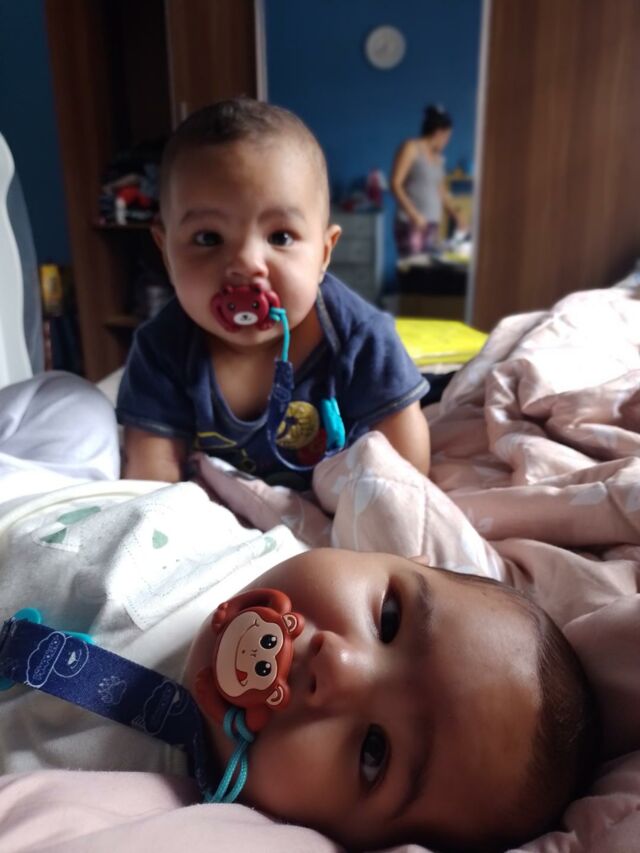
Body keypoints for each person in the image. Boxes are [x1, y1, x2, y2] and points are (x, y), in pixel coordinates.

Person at [0, 373, 600, 853]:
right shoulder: (286, 551)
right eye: (389, 620)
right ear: (399, 559)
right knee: (72, 403)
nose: (338, 664)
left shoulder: (134, 787)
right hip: (52, 488)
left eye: (373, 752)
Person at [116, 98, 431, 488]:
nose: (246, 263)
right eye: (208, 238)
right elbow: (151, 473)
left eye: (280, 237)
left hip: (340, 497)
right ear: (166, 252)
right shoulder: (160, 349)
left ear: (324, 254)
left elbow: (406, 470)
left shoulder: (360, 336)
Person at [390, 104, 465, 258]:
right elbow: (395, 184)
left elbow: (441, 191)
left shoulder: (439, 159)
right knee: (413, 267)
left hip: (431, 225)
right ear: (438, 133)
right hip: (411, 223)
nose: (447, 142)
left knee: (428, 268)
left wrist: (456, 215)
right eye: (447, 137)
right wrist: (414, 214)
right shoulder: (411, 148)